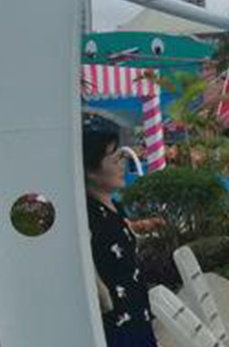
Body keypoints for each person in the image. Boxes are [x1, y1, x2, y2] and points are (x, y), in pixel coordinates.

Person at [84, 121, 158, 347]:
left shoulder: (116, 207)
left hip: (137, 311)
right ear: (91, 171)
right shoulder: (88, 214)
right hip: (116, 321)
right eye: (115, 160)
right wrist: (102, 295)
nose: (122, 166)